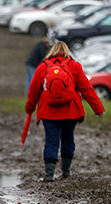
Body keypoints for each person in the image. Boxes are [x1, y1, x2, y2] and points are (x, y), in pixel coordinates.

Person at [25, 41, 105, 182]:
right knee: (68, 139)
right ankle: (66, 172)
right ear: (67, 51)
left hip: (49, 112)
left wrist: (30, 107)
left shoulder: (43, 67)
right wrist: (98, 108)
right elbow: (87, 89)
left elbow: (33, 90)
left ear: (52, 51)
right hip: (71, 112)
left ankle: (49, 175)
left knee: (51, 141)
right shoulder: (74, 66)